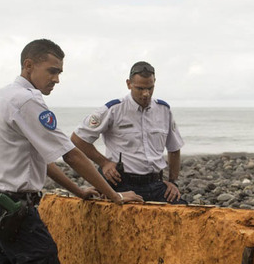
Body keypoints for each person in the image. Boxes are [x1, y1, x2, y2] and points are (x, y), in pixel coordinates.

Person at [0, 39, 143, 264]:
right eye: (52, 71)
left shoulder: (1, 96)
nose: (57, 79)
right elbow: (71, 154)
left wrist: (79, 191)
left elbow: (41, 158)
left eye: (60, 73)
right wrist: (115, 197)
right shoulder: (28, 102)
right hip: (17, 212)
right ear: (29, 65)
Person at [71, 61, 186, 204]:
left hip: (155, 183)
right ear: (129, 84)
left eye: (150, 88)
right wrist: (104, 163)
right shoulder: (113, 109)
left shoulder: (164, 110)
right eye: (140, 88)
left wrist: (173, 182)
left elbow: (174, 149)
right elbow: (78, 139)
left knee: (184, 212)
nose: (146, 94)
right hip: (121, 183)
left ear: (154, 82)